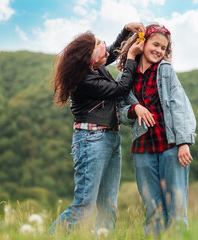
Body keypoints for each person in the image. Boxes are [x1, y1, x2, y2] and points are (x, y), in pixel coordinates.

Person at [49, 22, 145, 233]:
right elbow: (120, 89)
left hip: (110, 138)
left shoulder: (93, 66)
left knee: (108, 204)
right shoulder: (84, 80)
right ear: (89, 60)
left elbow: (111, 51)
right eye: (101, 56)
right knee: (84, 205)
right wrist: (130, 59)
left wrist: (126, 30)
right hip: (91, 139)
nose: (106, 58)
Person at [116, 23, 196, 235]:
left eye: (164, 47)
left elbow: (180, 105)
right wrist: (135, 108)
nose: (159, 50)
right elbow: (119, 112)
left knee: (176, 211)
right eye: (156, 44)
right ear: (142, 43)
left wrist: (184, 142)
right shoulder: (126, 77)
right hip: (143, 149)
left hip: (171, 146)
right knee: (153, 211)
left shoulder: (165, 70)